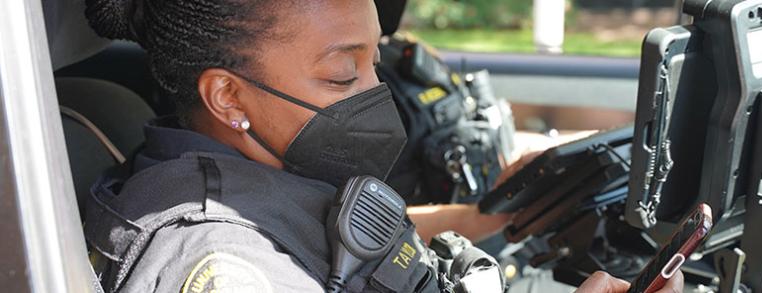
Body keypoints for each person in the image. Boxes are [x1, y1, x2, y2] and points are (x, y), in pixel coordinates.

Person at [81, 0, 685, 292]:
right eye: (343, 75)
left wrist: (492, 212)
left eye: (376, 63)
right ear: (229, 98)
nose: (373, 94)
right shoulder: (216, 260)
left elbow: (337, 237)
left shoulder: (274, 174)